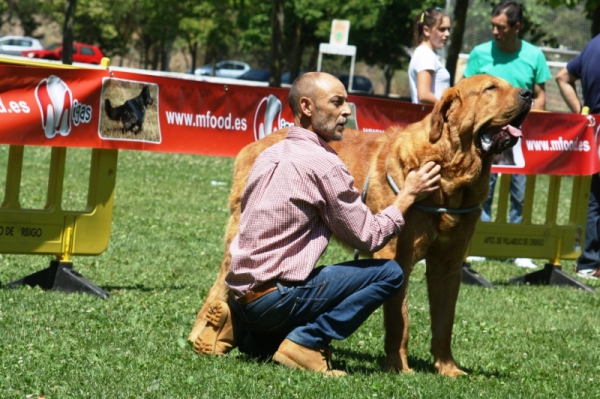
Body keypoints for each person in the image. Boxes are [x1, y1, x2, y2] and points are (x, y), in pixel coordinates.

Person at [194, 72, 442, 377]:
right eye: (336, 103)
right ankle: (308, 342)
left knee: (271, 345)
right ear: (307, 107)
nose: (347, 112)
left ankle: (236, 326)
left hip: (241, 294)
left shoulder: (269, 153)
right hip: (277, 298)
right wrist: (407, 195)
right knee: (390, 273)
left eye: (347, 103)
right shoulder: (325, 164)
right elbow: (369, 237)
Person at [463, 0, 551, 268]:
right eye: (492, 25)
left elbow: (540, 95)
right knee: (483, 189)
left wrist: (532, 123)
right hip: (487, 136)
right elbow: (468, 91)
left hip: (519, 136)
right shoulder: (479, 53)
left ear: (516, 27)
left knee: (520, 193)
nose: (494, 31)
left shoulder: (534, 55)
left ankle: (518, 248)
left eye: (500, 27)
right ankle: (479, 241)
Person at [556, 34, 600, 279]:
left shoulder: (592, 45)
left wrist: (581, 114)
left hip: (596, 129)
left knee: (595, 197)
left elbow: (562, 77)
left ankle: (588, 262)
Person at [408, 7, 451, 104]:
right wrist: (446, 108)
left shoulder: (424, 53)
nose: (447, 34)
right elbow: (424, 95)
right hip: (430, 117)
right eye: (442, 29)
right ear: (426, 30)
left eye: (449, 29)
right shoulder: (425, 55)